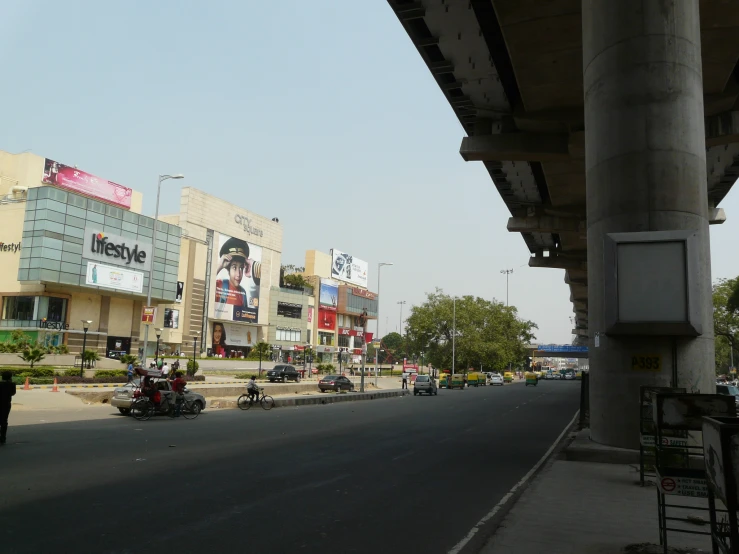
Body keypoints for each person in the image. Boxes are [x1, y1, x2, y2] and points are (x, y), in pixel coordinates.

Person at [215, 237, 251, 309]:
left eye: (241, 268)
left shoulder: (243, 293)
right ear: (228, 270)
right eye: (234, 268)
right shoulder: (220, 285)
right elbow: (205, 286)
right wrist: (219, 266)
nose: (238, 274)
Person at [0, 371, 17, 445]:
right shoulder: (12, 384)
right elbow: (13, 393)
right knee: (4, 421)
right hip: (6, 404)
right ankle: (3, 437)